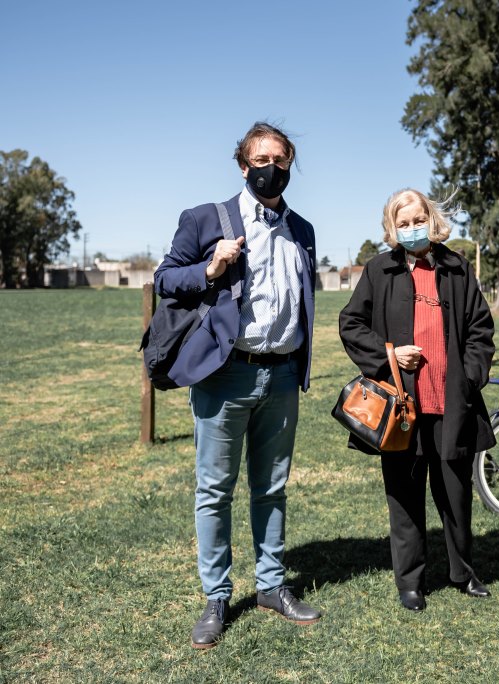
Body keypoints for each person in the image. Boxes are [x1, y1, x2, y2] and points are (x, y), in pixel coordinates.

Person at [154, 122, 321, 649]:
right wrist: (211, 266)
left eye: (282, 158)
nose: (273, 166)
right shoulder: (206, 219)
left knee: (271, 487)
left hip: (282, 373)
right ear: (243, 165)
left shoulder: (303, 229)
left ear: (290, 164)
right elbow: (165, 278)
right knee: (214, 490)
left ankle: (272, 586)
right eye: (262, 158)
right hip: (224, 373)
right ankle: (216, 596)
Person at [339, 188, 496, 612]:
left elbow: (481, 328)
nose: (412, 228)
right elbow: (351, 323)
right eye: (403, 223)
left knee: (456, 495)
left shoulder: (457, 268)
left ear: (432, 218)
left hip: (451, 403)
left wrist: (470, 376)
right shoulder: (379, 269)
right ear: (393, 228)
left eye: (417, 219)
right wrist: (389, 353)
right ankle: (410, 582)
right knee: (404, 496)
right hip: (401, 408)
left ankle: (463, 573)